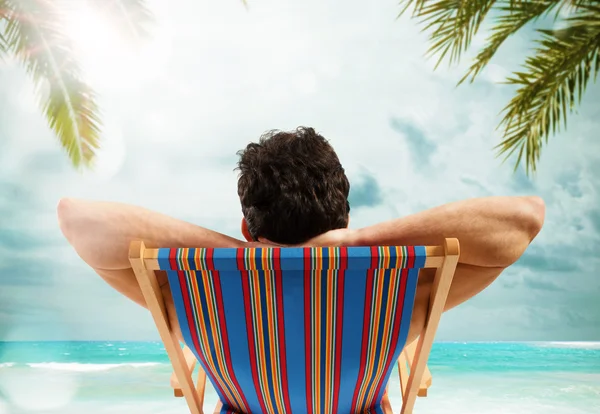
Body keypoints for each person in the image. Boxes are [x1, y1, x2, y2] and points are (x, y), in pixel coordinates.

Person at [57, 126, 545, 344]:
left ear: (248, 228)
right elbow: (524, 218)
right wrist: (356, 245)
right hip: (352, 412)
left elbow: (77, 218)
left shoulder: (200, 299)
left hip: (249, 411)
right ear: (345, 222)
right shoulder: (393, 299)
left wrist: (239, 253)